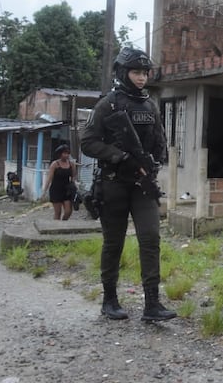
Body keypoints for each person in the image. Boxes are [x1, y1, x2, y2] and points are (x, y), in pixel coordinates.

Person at [81, 47, 176, 322]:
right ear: (123, 73)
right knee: (114, 243)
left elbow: (160, 142)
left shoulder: (149, 105)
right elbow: (88, 142)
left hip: (142, 184)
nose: (141, 78)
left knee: (151, 238)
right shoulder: (108, 105)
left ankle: (152, 304)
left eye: (145, 72)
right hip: (114, 183)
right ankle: (109, 300)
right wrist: (119, 156)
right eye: (136, 72)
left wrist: (153, 164)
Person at [42, 144, 77, 220]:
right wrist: (44, 191)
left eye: (68, 153)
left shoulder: (71, 164)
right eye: (64, 153)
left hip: (67, 190)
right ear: (60, 154)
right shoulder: (55, 164)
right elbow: (49, 178)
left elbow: (74, 176)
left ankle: (63, 223)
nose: (66, 155)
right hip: (56, 190)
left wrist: (73, 186)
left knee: (68, 211)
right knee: (58, 213)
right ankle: (56, 226)